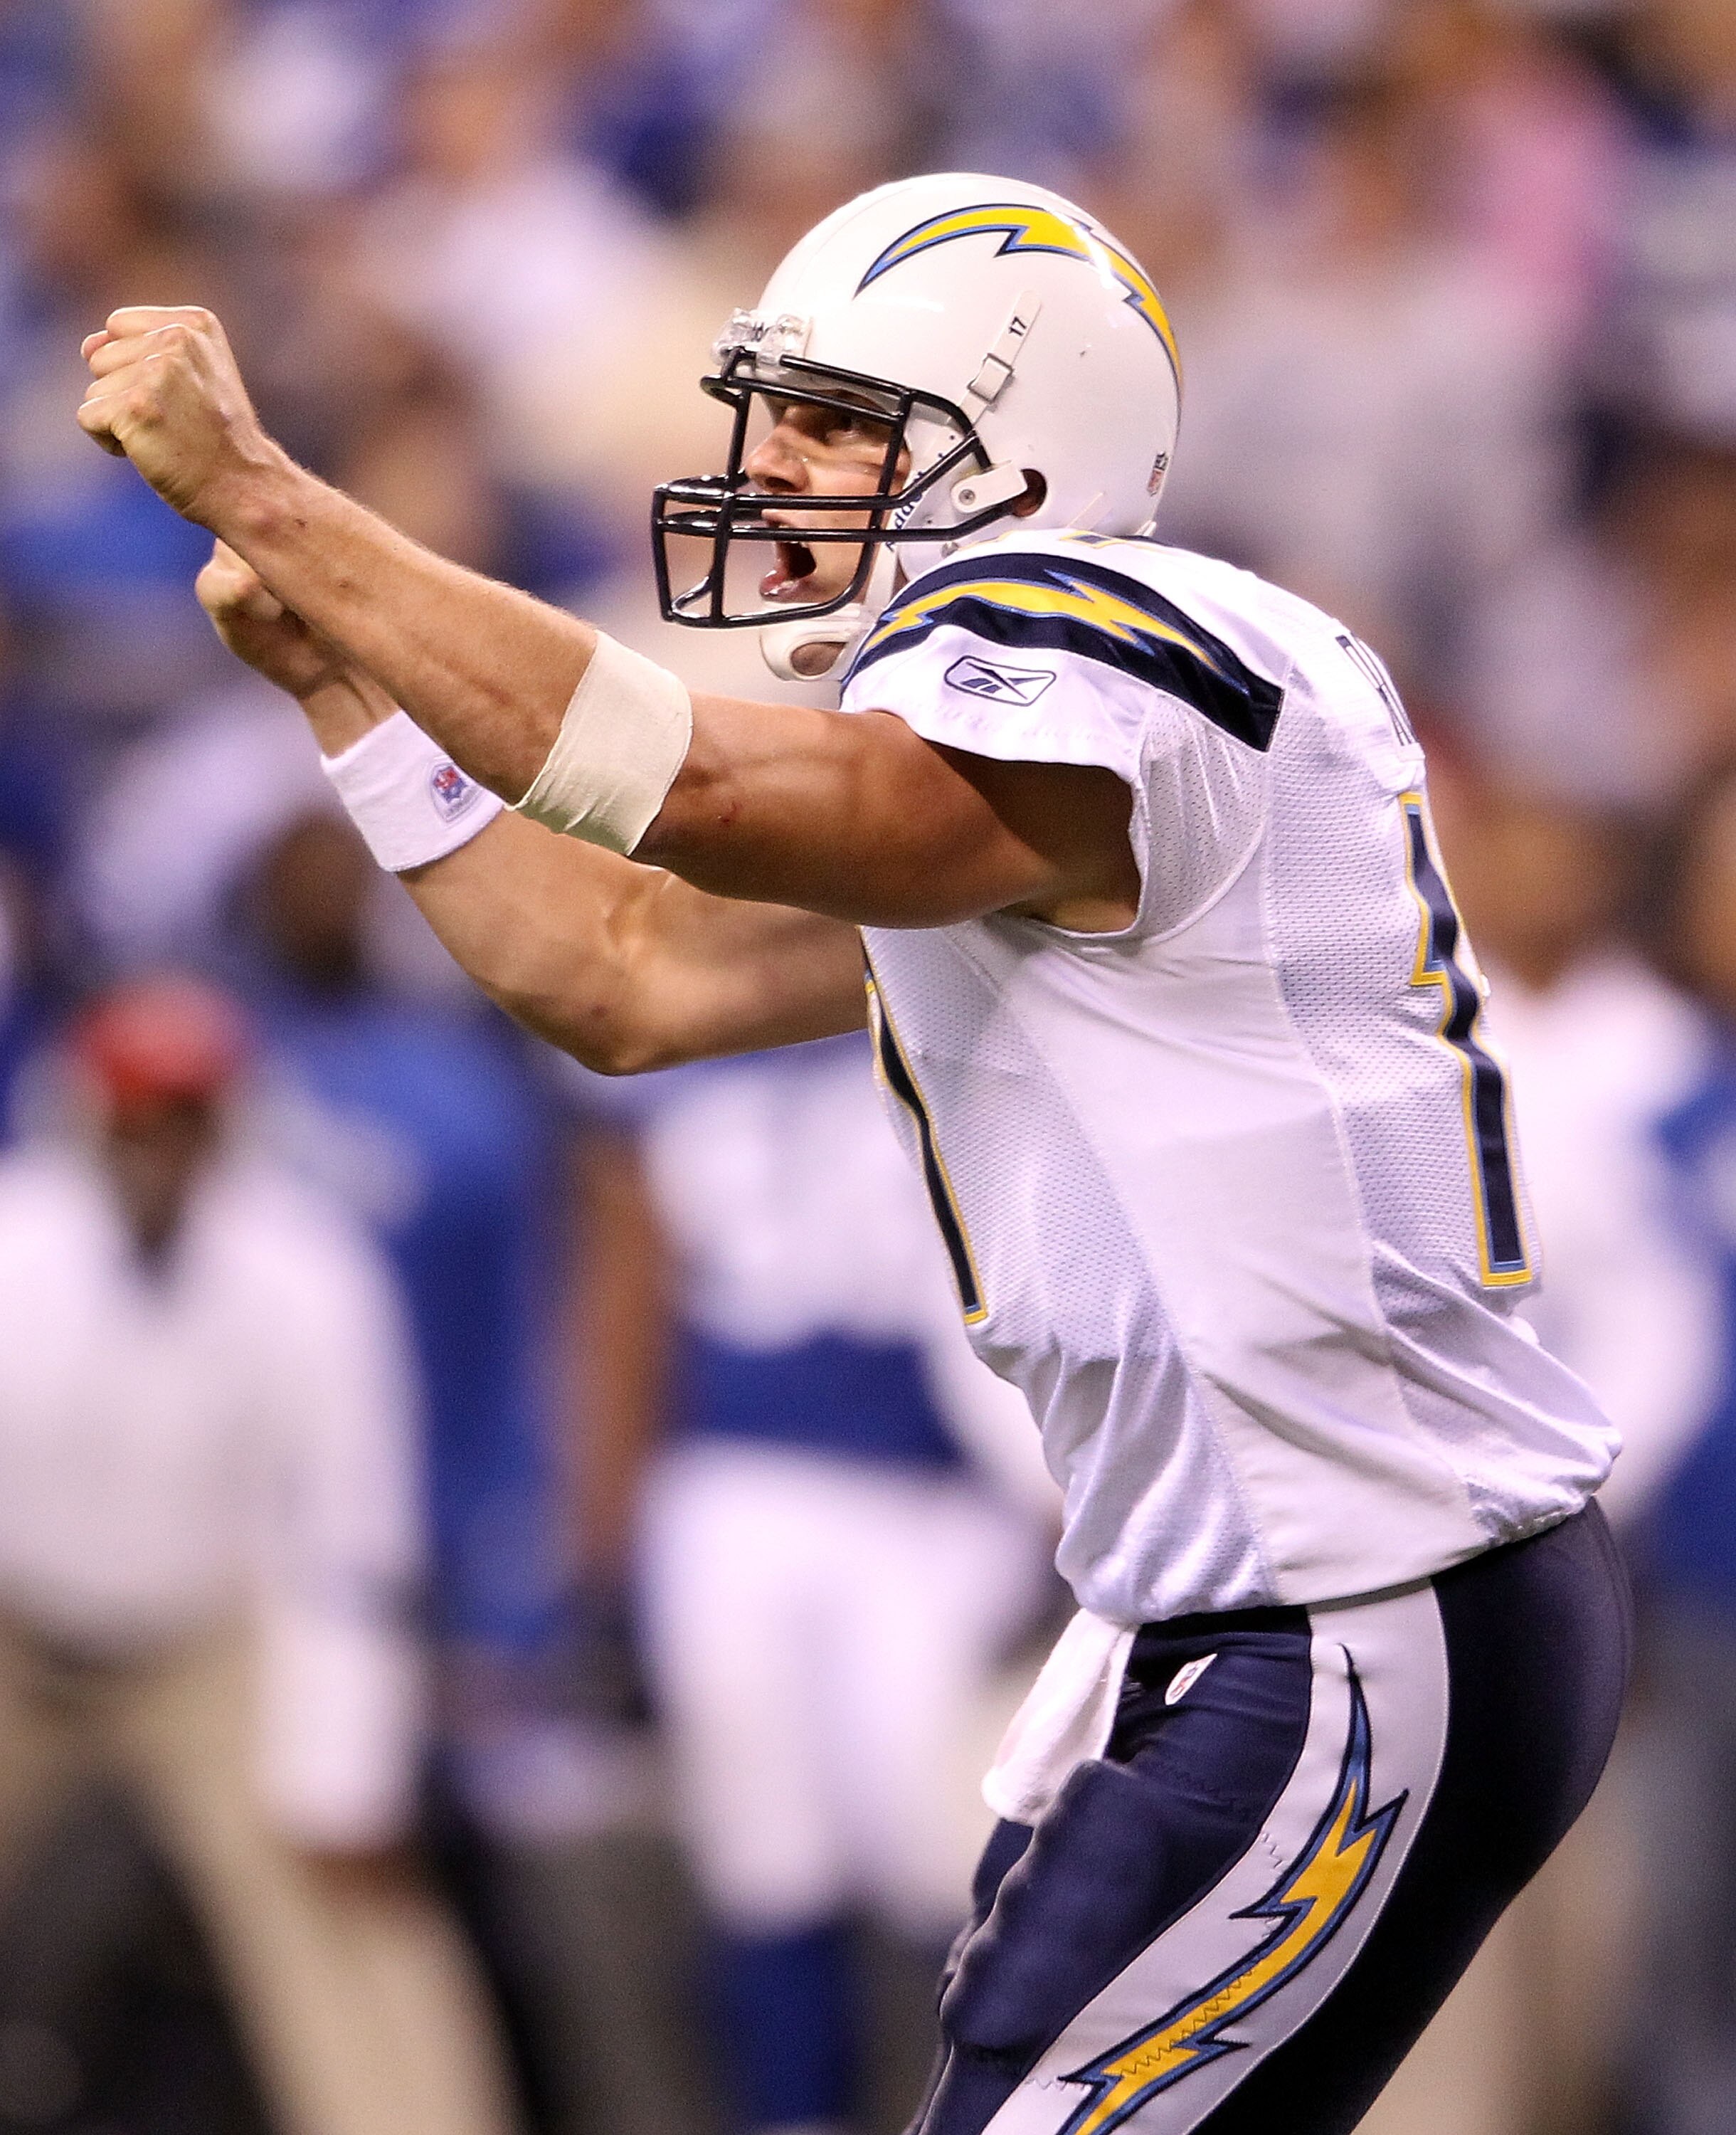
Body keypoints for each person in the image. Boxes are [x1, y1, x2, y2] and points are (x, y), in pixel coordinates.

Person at [75, 170, 1629, 2135]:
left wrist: (271, 493)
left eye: (834, 422)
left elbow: (711, 794)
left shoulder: (1107, 645)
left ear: (1018, 434)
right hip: (1260, 1607)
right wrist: (348, 696)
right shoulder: (1024, 767)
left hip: (1359, 1605)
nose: (774, 465)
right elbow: (618, 978)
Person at [0, 972, 519, 2135]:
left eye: (184, 1118)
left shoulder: (305, 1270)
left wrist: (347, 1761)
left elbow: (353, 1529)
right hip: (18, 1632)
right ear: (88, 1116)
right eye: (138, 1118)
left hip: (207, 1646)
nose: (160, 1149)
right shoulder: (14, 1243)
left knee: (347, 1912)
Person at [576, 1032, 1054, 2135]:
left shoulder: (946, 1007)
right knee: (769, 1855)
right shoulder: (675, 1036)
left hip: (933, 1496)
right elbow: (625, 1295)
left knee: (947, 1857)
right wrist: (598, 1545)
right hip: (736, 1481)